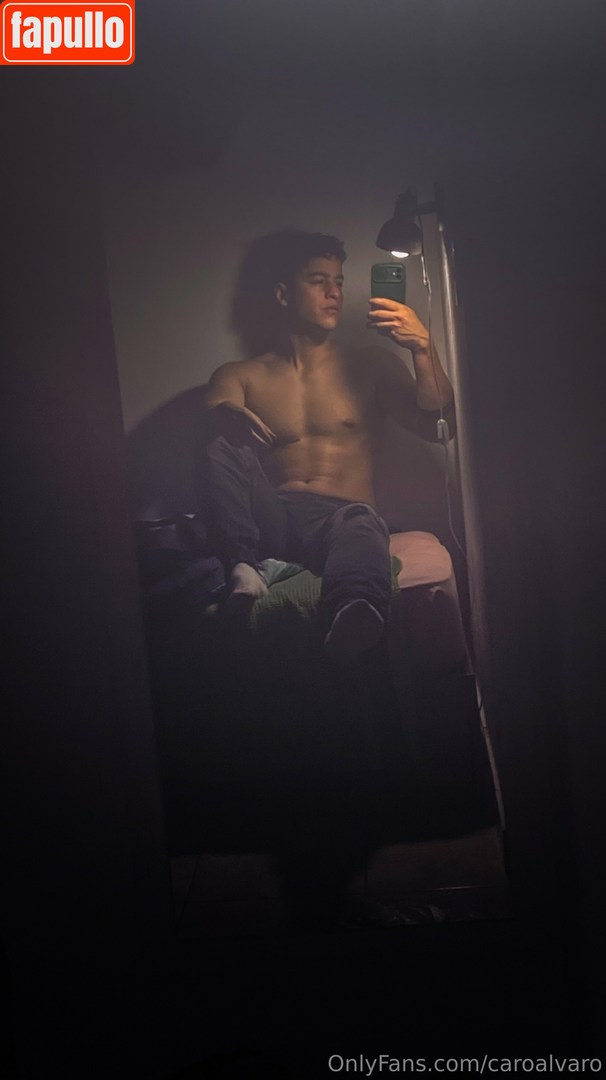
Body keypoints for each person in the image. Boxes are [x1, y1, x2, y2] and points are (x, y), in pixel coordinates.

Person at [198, 231, 455, 663]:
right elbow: (212, 429)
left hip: (339, 518)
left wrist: (423, 348)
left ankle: (355, 611)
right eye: (318, 281)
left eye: (338, 281)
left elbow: (439, 426)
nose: (334, 292)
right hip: (270, 518)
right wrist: (225, 415)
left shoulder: (370, 365)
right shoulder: (240, 374)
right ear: (283, 293)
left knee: (361, 519)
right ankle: (243, 565)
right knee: (220, 432)